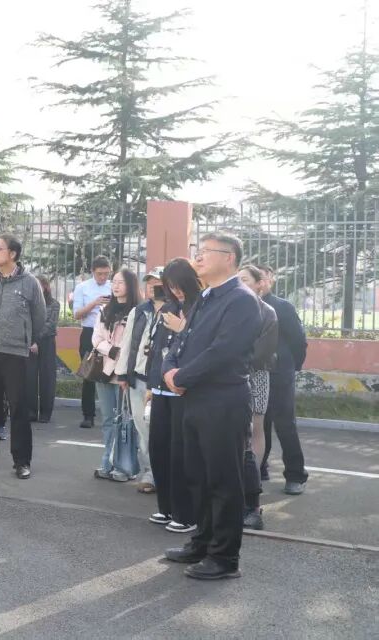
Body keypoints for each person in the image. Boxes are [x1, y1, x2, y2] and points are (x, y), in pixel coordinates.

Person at [162, 232, 262, 581]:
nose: (198, 258)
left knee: (223, 479)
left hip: (223, 400)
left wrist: (181, 376)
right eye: (198, 251)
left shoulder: (241, 300)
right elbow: (182, 339)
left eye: (206, 252)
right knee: (199, 477)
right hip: (195, 398)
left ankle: (224, 557)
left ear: (229, 258)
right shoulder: (206, 297)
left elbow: (223, 351)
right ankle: (203, 542)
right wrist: (169, 369)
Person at [0, 234, 46, 478]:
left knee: (18, 407)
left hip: (15, 353)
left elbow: (39, 317)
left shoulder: (29, 283)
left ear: (12, 254)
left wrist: (24, 338)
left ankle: (22, 461)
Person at [146, 258, 202, 534]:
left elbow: (205, 347)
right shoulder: (168, 308)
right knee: (159, 448)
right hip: (160, 388)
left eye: (179, 285)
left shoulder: (201, 307)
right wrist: (150, 384)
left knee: (181, 452)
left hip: (184, 390)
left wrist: (183, 329)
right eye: (170, 286)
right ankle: (166, 507)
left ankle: (186, 513)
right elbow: (157, 348)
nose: (176, 291)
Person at [257, 265, 309, 495]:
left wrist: (290, 367)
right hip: (255, 373)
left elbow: (299, 341)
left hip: (280, 374)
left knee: (285, 424)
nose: (260, 282)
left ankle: (295, 475)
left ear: (270, 280)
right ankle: (259, 469)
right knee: (259, 424)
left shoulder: (282, 306)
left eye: (264, 277)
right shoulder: (244, 306)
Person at [238, 265, 280, 530]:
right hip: (231, 375)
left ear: (258, 284)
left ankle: (253, 477)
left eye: (245, 280)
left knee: (255, 426)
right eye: (238, 279)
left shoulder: (267, 312)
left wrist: (235, 362)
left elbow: (262, 351)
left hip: (257, 374)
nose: (240, 284)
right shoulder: (230, 309)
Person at [114, 268, 162, 492]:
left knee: (161, 429)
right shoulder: (139, 311)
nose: (152, 287)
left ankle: (166, 473)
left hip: (161, 381)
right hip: (138, 379)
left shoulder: (176, 310)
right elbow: (127, 343)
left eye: (157, 283)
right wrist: (123, 373)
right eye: (149, 283)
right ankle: (151, 473)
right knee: (143, 430)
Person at [92, 269, 140, 482]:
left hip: (125, 373)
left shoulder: (138, 311)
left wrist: (122, 354)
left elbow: (136, 342)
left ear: (131, 285)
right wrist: (112, 350)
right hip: (105, 370)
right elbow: (96, 338)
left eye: (121, 282)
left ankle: (125, 466)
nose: (116, 286)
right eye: (114, 282)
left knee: (126, 421)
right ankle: (107, 462)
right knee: (109, 419)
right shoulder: (105, 310)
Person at [72, 256, 113, 428]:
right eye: (99, 274)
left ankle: (111, 414)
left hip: (110, 333)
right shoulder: (82, 287)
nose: (103, 277)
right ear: (92, 272)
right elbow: (76, 314)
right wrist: (94, 303)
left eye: (106, 273)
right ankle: (88, 415)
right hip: (89, 332)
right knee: (89, 374)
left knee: (111, 372)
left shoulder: (113, 286)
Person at [28, 275, 60, 423]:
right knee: (30, 377)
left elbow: (50, 325)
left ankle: (46, 412)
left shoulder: (54, 304)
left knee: (47, 378)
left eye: (38, 285)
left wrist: (37, 341)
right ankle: (31, 411)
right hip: (30, 343)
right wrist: (31, 341)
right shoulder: (27, 303)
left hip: (46, 342)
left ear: (45, 287)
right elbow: (25, 323)